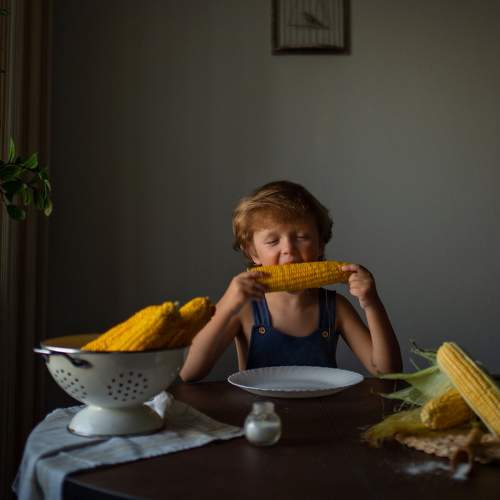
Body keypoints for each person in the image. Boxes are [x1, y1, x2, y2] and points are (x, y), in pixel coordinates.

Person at [180, 180, 402, 382]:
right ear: (253, 253)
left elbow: (387, 371)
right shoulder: (244, 309)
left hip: (323, 409)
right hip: (261, 411)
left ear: (320, 245)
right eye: (272, 241)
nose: (288, 249)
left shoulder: (335, 308)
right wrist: (227, 305)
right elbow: (189, 372)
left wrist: (371, 302)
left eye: (302, 237)